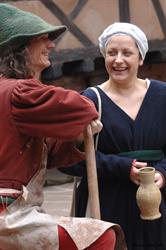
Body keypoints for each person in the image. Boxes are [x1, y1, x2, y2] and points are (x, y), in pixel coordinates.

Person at [0, 4, 127, 250]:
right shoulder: (18, 92)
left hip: (15, 211)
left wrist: (78, 138)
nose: (51, 45)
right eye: (43, 39)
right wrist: (87, 113)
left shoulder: (13, 95)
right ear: (21, 48)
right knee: (101, 237)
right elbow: (82, 108)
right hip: (9, 215)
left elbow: (49, 154)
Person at [60, 22, 166, 250]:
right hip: (107, 204)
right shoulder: (89, 101)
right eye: (112, 53)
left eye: (127, 53)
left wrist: (162, 173)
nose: (118, 60)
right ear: (104, 56)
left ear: (140, 58)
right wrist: (122, 167)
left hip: (159, 205)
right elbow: (65, 159)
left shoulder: (162, 95)